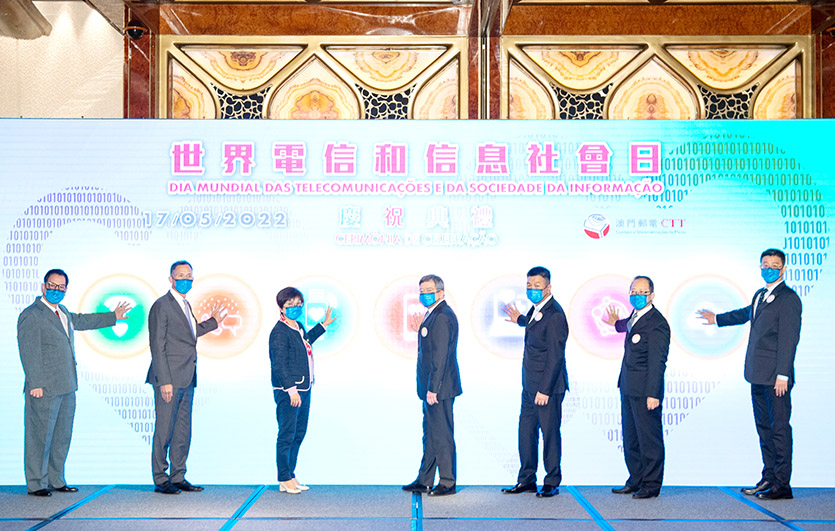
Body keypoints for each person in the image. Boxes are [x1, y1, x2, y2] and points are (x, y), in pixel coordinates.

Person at [697, 248, 801, 500]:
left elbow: (789, 339)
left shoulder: (789, 298)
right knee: (764, 428)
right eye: (766, 264)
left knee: (779, 429)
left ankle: (782, 485)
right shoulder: (760, 295)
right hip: (757, 373)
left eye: (775, 265)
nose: (770, 269)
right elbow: (746, 313)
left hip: (776, 378)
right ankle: (769, 477)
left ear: (784, 268)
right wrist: (717, 319)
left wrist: (783, 375)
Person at [17, 268, 131, 497]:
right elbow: (28, 351)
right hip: (44, 388)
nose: (56, 290)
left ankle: (56, 479)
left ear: (66, 290)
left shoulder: (63, 312)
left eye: (61, 287)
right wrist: (35, 383)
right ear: (43, 286)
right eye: (52, 285)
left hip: (67, 385)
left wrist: (113, 317)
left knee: (61, 437)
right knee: (40, 437)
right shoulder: (32, 314)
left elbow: (82, 320)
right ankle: (37, 483)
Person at [146, 260, 226, 495]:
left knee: (182, 430)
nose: (185, 279)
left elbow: (190, 333)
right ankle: (161, 478)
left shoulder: (185, 304)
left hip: (187, 376)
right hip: (169, 379)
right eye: (180, 275)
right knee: (164, 431)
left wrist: (213, 323)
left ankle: (178, 475)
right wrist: (165, 380)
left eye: (189, 275)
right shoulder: (162, 305)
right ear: (171, 278)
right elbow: (157, 345)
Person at [501, 266, 569, 498]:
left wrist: (545, 390)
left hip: (546, 389)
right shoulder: (536, 309)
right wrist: (520, 319)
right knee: (526, 433)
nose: (532, 289)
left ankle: (551, 481)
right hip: (529, 386)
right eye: (529, 285)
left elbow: (556, 356)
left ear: (548, 288)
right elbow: (535, 325)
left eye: (537, 286)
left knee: (549, 435)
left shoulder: (555, 314)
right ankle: (526, 479)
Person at [603, 276, 670, 499]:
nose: (637, 295)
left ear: (652, 295)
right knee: (631, 438)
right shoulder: (635, 316)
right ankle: (636, 479)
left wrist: (653, 393)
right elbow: (627, 325)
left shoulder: (657, 323)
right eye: (634, 291)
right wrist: (616, 324)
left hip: (645, 392)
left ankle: (651, 484)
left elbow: (658, 362)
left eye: (642, 292)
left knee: (649, 439)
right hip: (628, 386)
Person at [269, 287, 335, 494]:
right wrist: (291, 390)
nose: (296, 308)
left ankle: (291, 474)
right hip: (289, 390)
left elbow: (305, 341)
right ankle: (283, 477)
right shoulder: (279, 332)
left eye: (299, 304)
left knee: (299, 432)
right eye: (290, 304)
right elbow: (279, 364)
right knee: (287, 434)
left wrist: (323, 325)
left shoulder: (298, 326)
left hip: (305, 387)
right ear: (281, 307)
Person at [402, 274, 462, 497]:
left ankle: (447, 481)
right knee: (430, 433)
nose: (424, 294)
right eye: (422, 291)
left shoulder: (442, 316)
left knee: (442, 434)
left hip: (440, 388)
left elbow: (440, 357)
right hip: (431, 386)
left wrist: (433, 388)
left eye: (429, 291)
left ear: (441, 292)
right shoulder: (433, 314)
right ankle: (425, 479)